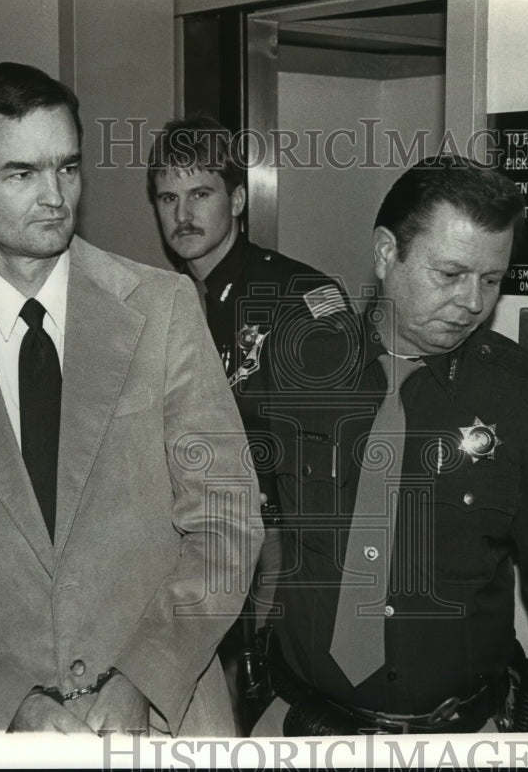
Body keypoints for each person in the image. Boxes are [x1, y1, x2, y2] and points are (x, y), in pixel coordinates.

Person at [0, 62, 262, 734]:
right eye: (21, 174)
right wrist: (7, 703)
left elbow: (227, 523)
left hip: (167, 720)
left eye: (68, 168)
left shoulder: (160, 308)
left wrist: (145, 676)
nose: (55, 197)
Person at [252, 155, 528, 735]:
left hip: (461, 734)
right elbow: (245, 506)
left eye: (492, 280)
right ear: (385, 252)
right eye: (450, 274)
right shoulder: (299, 358)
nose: (473, 302)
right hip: (302, 723)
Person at [147, 116, 351, 732]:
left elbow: (334, 456)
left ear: (236, 199)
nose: (182, 213)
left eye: (201, 193)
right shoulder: (158, 305)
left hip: (276, 551)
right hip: (188, 551)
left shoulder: (299, 297)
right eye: (167, 197)